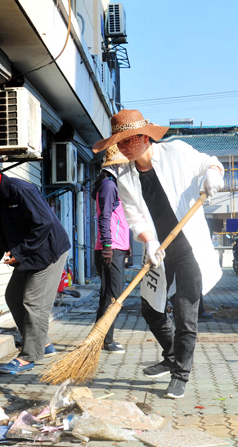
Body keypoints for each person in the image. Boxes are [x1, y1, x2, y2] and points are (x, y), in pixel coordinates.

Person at [92, 109, 224, 399]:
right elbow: (134, 216)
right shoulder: (123, 174)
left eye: (126, 142)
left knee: (184, 311)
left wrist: (213, 176)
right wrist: (148, 241)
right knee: (150, 310)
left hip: (189, 247)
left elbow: (209, 163)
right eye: (119, 144)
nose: (122, 149)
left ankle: (181, 374)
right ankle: (173, 354)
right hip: (158, 250)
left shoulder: (175, 151)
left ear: (142, 137)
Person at [0, 158, 70, 374]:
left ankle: (29, 356)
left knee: (33, 302)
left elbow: (44, 223)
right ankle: (43, 344)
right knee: (12, 296)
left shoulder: (20, 190)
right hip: (29, 255)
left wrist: (19, 253)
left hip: (50, 252)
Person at [93, 145, 130, 353]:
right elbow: (104, 217)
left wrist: (126, 246)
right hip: (110, 249)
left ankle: (100, 338)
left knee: (109, 294)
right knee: (113, 296)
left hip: (116, 247)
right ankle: (105, 340)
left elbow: (119, 219)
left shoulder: (110, 184)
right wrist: (108, 246)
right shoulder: (108, 185)